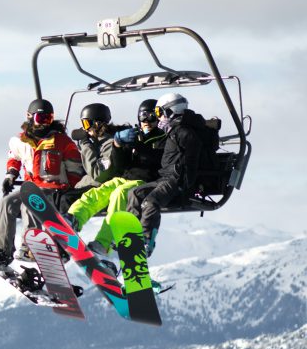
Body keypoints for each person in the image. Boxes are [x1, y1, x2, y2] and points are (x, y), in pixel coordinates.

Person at [0, 99, 83, 266]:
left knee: (30, 200)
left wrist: (71, 193)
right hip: (32, 187)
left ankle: (31, 246)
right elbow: (14, 157)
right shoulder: (20, 141)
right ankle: (3, 250)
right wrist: (10, 175)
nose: (43, 124)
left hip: (55, 190)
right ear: (29, 117)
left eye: (47, 119)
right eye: (39, 119)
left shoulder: (62, 142)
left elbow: (75, 169)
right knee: (5, 202)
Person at [64, 99, 166, 255]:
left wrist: (138, 146)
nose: (147, 121)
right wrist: (118, 145)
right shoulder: (135, 136)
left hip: (146, 181)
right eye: (143, 116)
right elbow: (119, 165)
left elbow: (159, 162)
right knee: (98, 192)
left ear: (159, 118)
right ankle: (73, 219)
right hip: (126, 177)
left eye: (152, 116)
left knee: (119, 194)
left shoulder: (163, 138)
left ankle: (104, 243)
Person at [127, 92, 205, 256]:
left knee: (150, 202)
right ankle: (131, 235)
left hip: (177, 180)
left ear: (170, 111)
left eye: (158, 113)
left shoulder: (185, 132)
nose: (158, 118)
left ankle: (146, 240)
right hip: (165, 177)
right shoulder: (174, 131)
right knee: (134, 193)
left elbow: (192, 157)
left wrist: (186, 184)